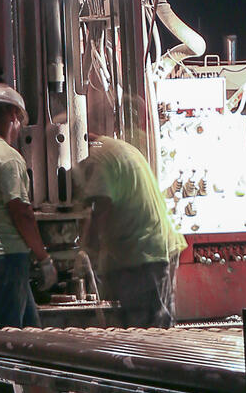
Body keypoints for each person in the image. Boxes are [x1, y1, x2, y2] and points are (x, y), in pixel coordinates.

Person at [0, 83, 57, 327]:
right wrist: (43, 257)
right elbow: (21, 213)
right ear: (12, 115)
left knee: (30, 330)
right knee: (11, 338)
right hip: (7, 254)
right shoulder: (8, 157)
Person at [72, 136, 185, 328]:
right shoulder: (117, 149)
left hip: (142, 255)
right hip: (152, 248)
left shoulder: (99, 158)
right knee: (154, 328)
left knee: (144, 332)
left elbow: (101, 206)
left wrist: (87, 253)